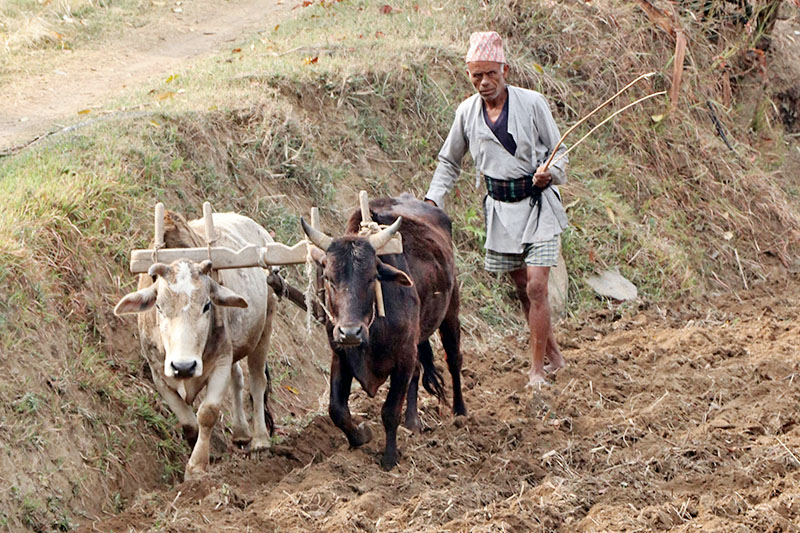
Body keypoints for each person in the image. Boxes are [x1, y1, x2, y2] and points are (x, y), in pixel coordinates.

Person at [424, 31, 568, 388]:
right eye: (477, 76)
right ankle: (554, 355)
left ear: (505, 70)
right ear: (469, 75)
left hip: (538, 207)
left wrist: (550, 172)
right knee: (522, 288)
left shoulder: (533, 104)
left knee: (537, 287)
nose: (484, 83)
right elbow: (449, 161)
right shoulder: (466, 113)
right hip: (501, 211)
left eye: (491, 74)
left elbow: (560, 149)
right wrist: (433, 198)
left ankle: (536, 371)